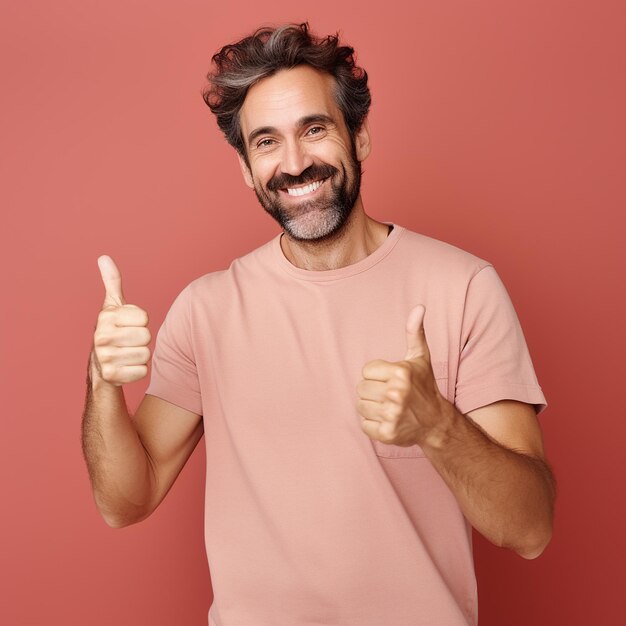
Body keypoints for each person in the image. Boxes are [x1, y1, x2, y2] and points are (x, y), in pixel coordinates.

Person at [82, 23, 556, 626]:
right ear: (246, 168)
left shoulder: (464, 288)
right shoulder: (207, 310)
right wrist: (102, 381)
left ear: (359, 137)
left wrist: (438, 426)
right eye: (266, 143)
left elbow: (532, 530)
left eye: (314, 129)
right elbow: (126, 501)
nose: (295, 162)